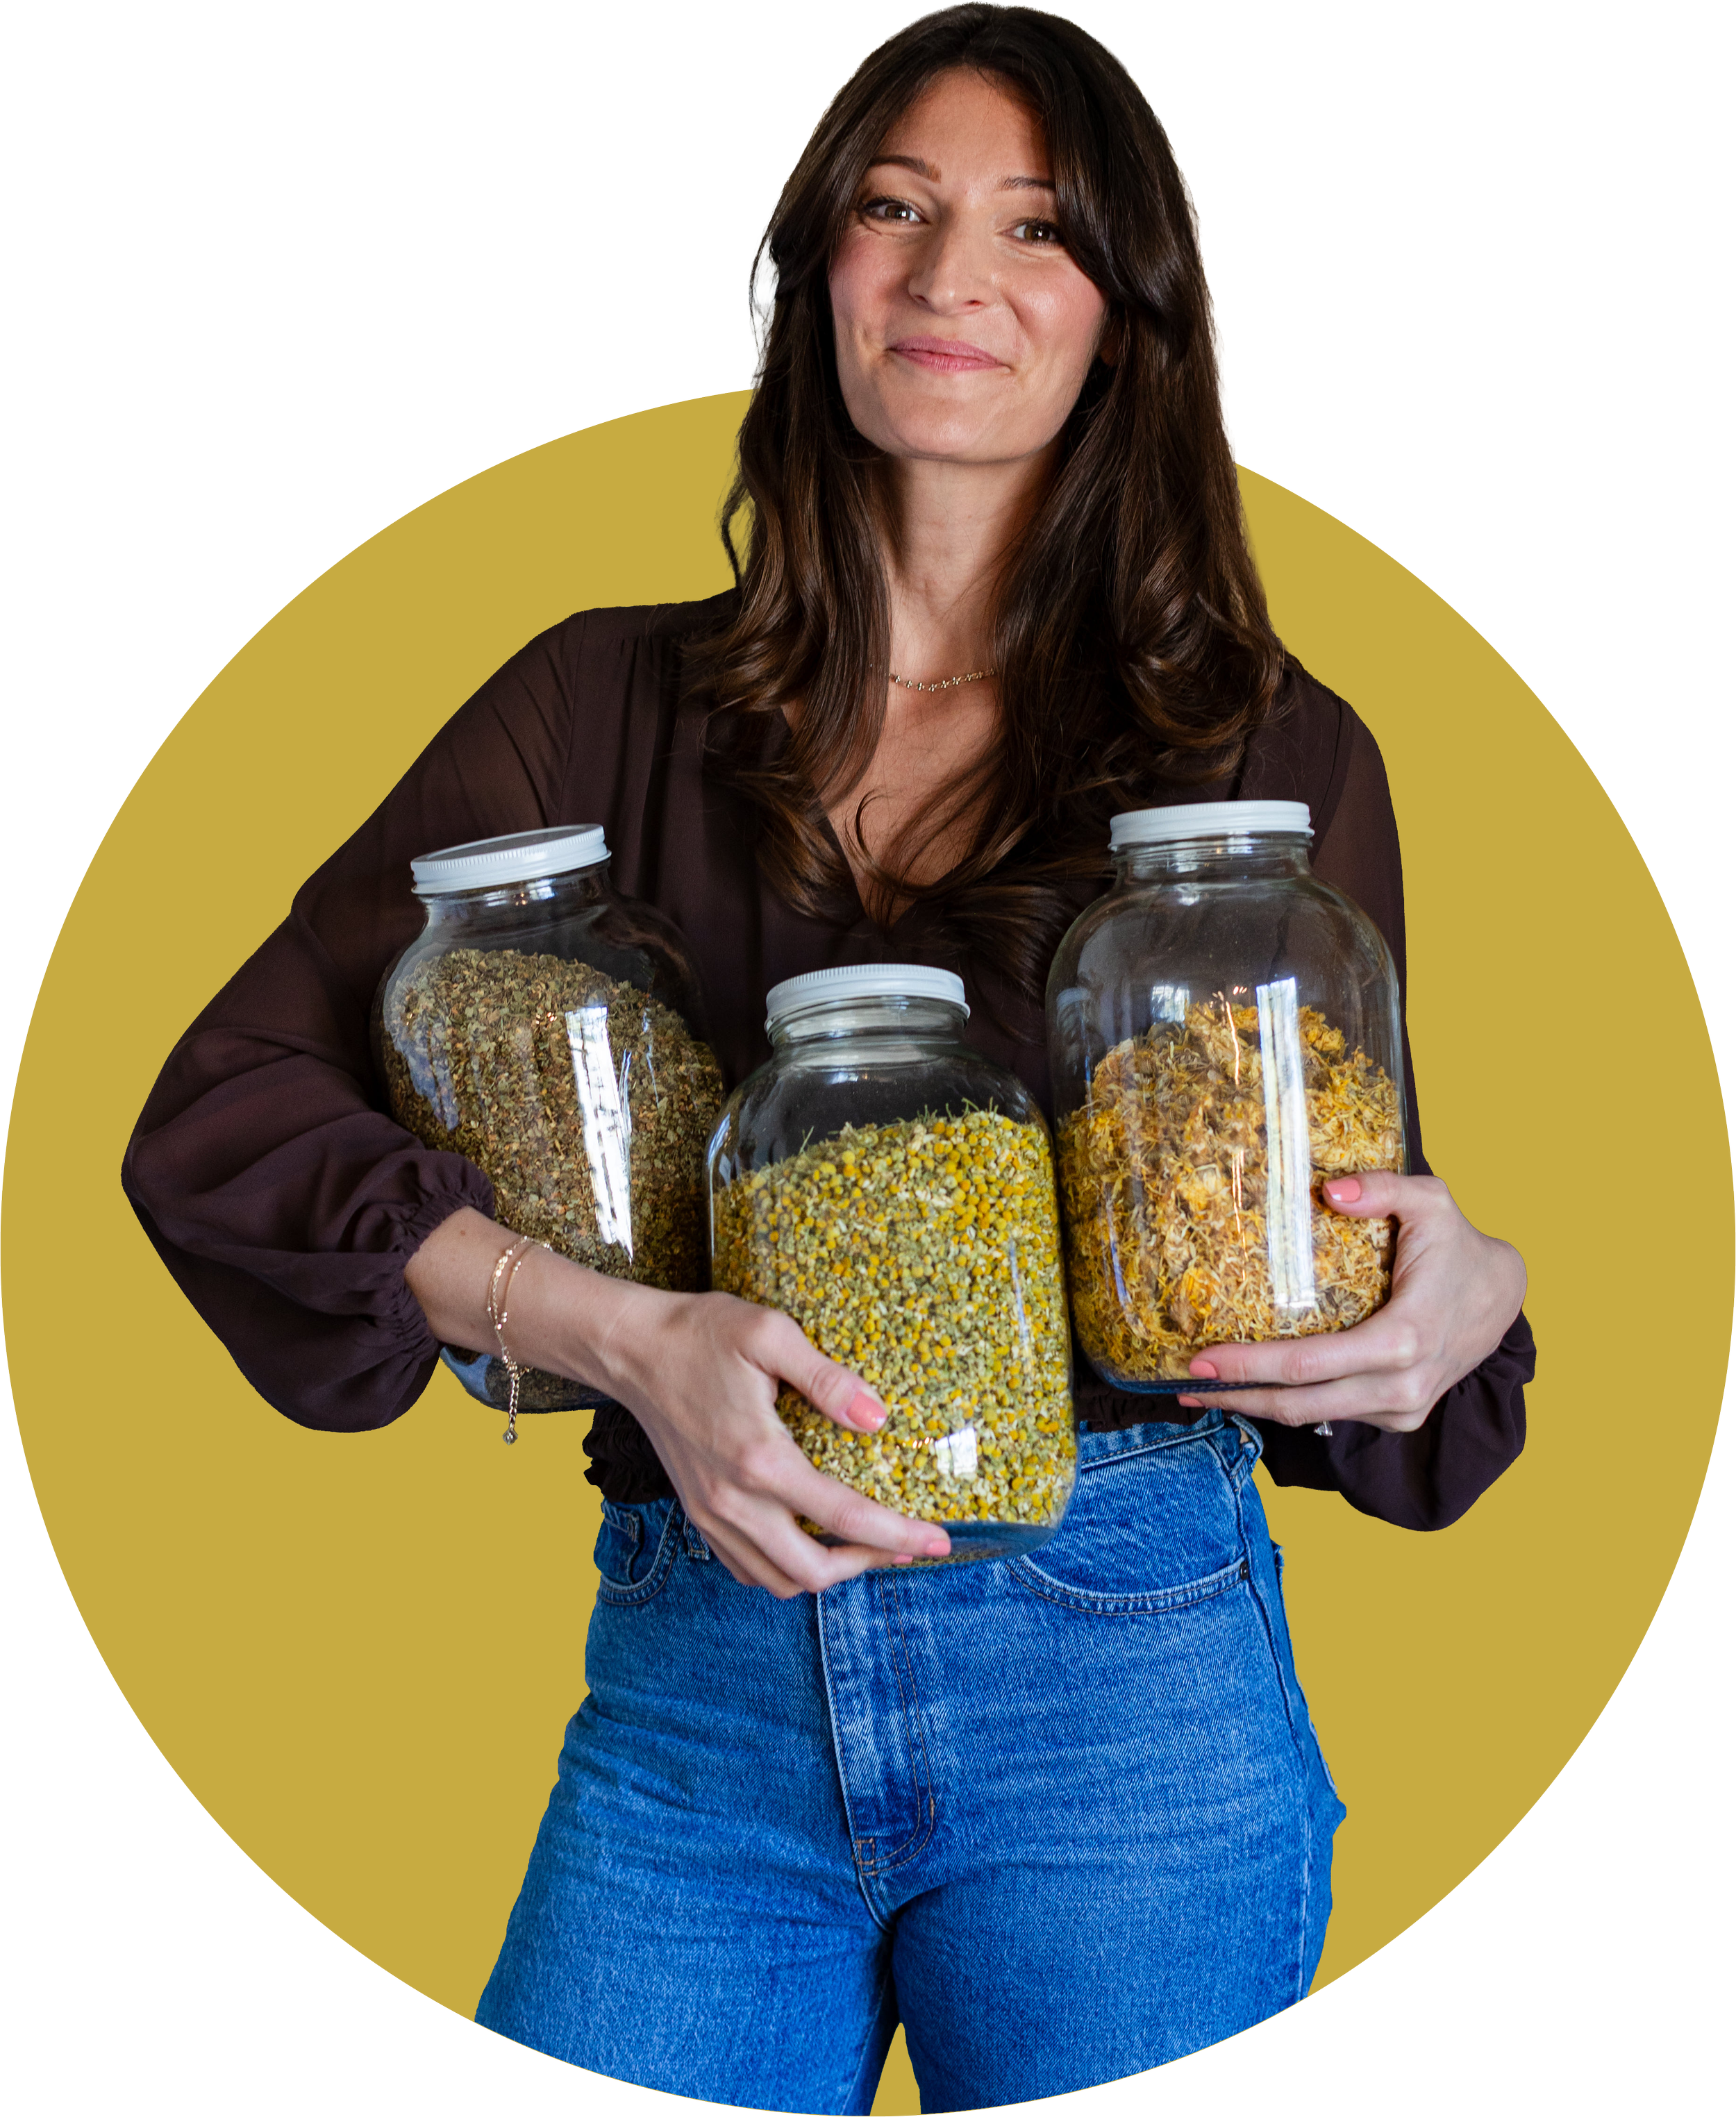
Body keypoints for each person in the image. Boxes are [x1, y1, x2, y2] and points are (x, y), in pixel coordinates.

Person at [122, 7, 1533, 2109]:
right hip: (701, 1662)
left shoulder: (1260, 757)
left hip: (1123, 1662)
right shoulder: (590, 705)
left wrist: (1452, 1299)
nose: (951, 276)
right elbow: (221, 1113)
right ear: (812, 277)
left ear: (1125, 324)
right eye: (894, 209)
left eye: (1037, 232)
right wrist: (604, 1330)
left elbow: (1313, 1217)